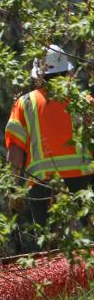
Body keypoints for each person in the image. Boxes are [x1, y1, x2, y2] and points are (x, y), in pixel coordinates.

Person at [5, 45, 94, 227]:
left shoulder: (25, 103)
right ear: (68, 73)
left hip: (43, 188)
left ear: (38, 75)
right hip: (86, 183)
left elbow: (15, 151)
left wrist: (12, 189)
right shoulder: (86, 102)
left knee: (49, 249)